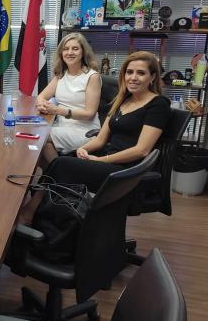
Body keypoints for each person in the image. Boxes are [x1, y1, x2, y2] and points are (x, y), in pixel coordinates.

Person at [18, 51, 171, 224]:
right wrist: (83, 149)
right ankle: (55, 220)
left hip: (127, 171)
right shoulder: (123, 100)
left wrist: (101, 161)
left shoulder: (158, 104)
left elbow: (141, 150)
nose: (133, 77)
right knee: (61, 162)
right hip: (108, 159)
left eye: (141, 73)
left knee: (61, 166)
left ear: (152, 77)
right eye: (129, 72)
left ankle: (30, 214)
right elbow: (100, 139)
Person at [36, 33, 102, 165]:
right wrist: (42, 104)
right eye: (66, 49)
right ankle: (58, 178)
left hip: (85, 131)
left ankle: (57, 177)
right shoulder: (61, 74)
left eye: (75, 49)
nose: (70, 52)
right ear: (61, 53)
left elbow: (89, 114)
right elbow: (41, 96)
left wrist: (57, 110)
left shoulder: (92, 76)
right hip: (61, 127)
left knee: (39, 137)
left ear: (83, 52)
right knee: (44, 146)